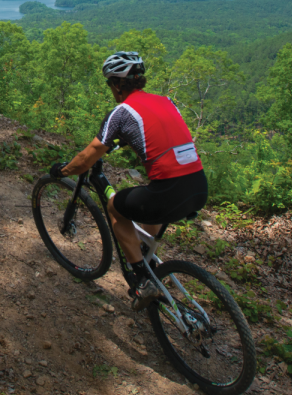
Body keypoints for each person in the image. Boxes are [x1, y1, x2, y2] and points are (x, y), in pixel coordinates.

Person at [49, 52, 207, 311]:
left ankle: (143, 280)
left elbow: (88, 157)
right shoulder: (167, 101)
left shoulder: (121, 113)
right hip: (198, 186)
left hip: (169, 191)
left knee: (114, 208)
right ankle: (146, 257)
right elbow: (157, 135)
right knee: (151, 201)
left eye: (109, 83)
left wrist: (62, 171)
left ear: (116, 84)